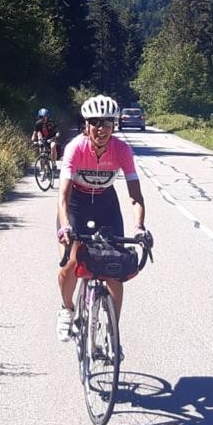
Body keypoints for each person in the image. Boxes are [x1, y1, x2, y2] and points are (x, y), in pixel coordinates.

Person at [55, 93, 151, 341]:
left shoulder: (121, 151)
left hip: (106, 202)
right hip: (77, 202)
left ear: (113, 126)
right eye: (95, 123)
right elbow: (63, 196)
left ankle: (112, 331)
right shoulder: (76, 148)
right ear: (86, 125)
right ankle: (67, 309)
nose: (101, 128)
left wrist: (139, 227)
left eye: (107, 123)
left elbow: (135, 197)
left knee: (114, 268)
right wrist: (65, 226)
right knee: (71, 262)